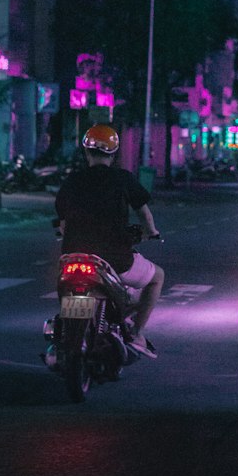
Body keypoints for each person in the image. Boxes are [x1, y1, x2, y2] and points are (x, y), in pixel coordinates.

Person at [53, 123, 164, 359]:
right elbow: (144, 214)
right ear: (113, 154)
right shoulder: (123, 179)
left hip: (72, 255)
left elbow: (62, 223)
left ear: (86, 152)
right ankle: (137, 333)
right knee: (157, 277)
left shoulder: (72, 181)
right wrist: (151, 232)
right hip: (115, 258)